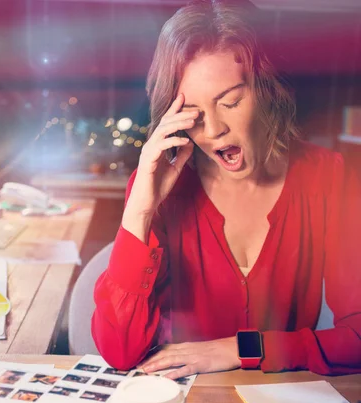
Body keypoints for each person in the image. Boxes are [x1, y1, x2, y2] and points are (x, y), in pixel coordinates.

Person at [92, 0, 361, 379]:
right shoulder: (158, 188)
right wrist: (139, 208)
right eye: (194, 114)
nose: (214, 129)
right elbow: (119, 351)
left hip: (281, 402)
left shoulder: (328, 177)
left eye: (231, 101)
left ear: (268, 91)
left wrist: (241, 349)